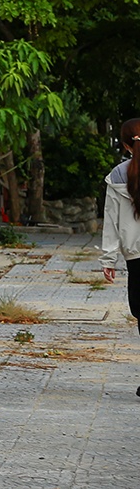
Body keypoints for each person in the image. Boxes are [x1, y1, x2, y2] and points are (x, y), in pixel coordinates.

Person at [99, 119, 140, 395]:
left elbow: (111, 221)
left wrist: (109, 259)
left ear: (126, 146)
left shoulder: (117, 176)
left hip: (136, 257)